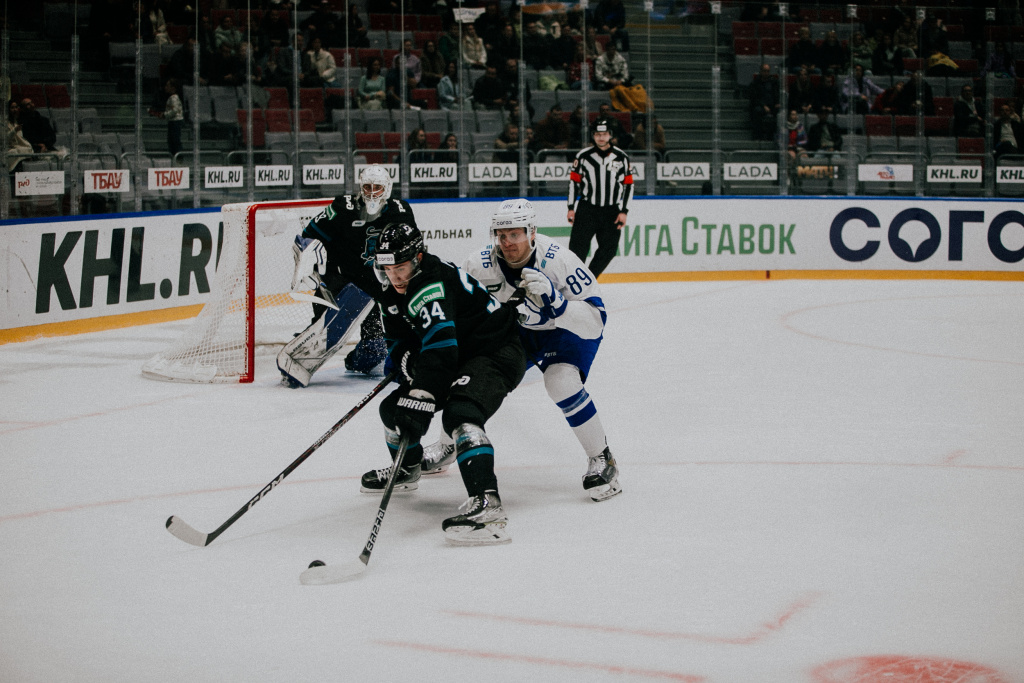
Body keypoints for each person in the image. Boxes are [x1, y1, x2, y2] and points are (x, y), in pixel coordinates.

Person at [419, 199, 621, 502]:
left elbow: (595, 321)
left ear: (532, 232)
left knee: (561, 382)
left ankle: (602, 457)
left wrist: (558, 303)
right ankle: (449, 444)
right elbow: (457, 307)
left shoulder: (559, 261)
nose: (507, 242)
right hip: (518, 331)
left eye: (515, 234)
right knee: (465, 374)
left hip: (565, 331)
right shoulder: (478, 264)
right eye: (501, 235)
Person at [361, 223, 527, 545]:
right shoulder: (389, 292)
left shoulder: (430, 284)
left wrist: (422, 394)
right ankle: (407, 469)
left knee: (460, 414)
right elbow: (399, 343)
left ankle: (488, 505)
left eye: (401, 268)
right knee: (392, 410)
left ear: (418, 259)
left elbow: (441, 348)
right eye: (387, 270)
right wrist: (410, 366)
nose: (395, 277)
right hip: (457, 354)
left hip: (495, 350)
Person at [279, 165, 416, 387]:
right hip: (339, 279)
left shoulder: (400, 211)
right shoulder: (343, 207)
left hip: (376, 283)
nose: (372, 193)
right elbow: (307, 236)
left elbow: (411, 247)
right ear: (360, 187)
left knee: (374, 350)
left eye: (378, 188)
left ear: (388, 189)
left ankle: (357, 362)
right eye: (368, 187)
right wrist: (310, 256)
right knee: (323, 331)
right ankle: (298, 354)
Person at [567, 117, 633, 278]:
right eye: (597, 134)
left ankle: (588, 280)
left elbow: (628, 185)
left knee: (609, 249)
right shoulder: (583, 156)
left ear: (610, 135)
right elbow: (574, 183)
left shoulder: (622, 157)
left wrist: (624, 211)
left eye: (604, 134)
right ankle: (572, 282)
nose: (601, 137)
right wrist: (570, 207)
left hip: (611, 211)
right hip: (587, 209)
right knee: (577, 250)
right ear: (593, 135)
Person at [749, 63, 780, 141]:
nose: (766, 73)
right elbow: (754, 98)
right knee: (757, 111)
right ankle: (758, 135)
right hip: (760, 105)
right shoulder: (755, 82)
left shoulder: (774, 81)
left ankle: (772, 136)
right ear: (761, 71)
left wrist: (777, 103)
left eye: (768, 71)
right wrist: (764, 106)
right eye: (764, 71)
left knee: (780, 112)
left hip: (772, 105)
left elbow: (776, 94)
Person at [154, 79, 184, 156]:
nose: (165, 87)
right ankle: (174, 156)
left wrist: (165, 115)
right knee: (171, 140)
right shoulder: (172, 98)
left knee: (174, 140)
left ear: (173, 88)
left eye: (168, 86)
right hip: (173, 121)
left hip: (175, 122)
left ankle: (178, 157)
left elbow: (175, 110)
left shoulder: (174, 98)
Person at [6, 100, 35, 173]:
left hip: (17, 146)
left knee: (28, 148)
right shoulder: (3, 122)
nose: (15, 110)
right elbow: (5, 138)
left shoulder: (16, 121)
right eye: (12, 108)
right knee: (15, 152)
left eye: (16, 107)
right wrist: (14, 130)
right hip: (7, 147)